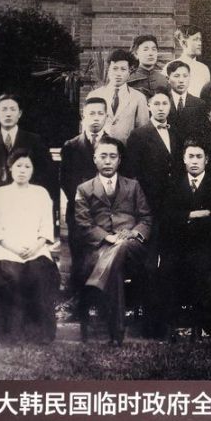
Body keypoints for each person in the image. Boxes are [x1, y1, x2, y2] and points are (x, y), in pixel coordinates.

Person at [75, 136, 153, 345]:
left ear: (119, 160)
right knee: (115, 270)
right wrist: (108, 237)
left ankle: (97, 282)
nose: (108, 161)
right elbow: (83, 223)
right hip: (100, 248)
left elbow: (146, 218)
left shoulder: (133, 186)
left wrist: (133, 233)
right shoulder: (84, 189)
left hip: (132, 246)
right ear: (95, 159)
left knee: (123, 245)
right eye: (103, 156)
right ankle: (116, 334)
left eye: (112, 156)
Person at [161, 140, 211, 338]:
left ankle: (206, 325)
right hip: (179, 245)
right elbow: (167, 217)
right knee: (167, 269)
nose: (194, 161)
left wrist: (185, 217)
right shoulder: (173, 185)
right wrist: (194, 214)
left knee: (207, 270)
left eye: (199, 157)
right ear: (184, 159)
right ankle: (172, 325)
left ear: (206, 160)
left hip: (208, 244)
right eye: (190, 156)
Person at [0, 149, 59, 344]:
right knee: (12, 274)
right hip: (7, 249)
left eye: (27, 166)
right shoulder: (0, 194)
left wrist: (35, 247)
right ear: (10, 168)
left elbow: (46, 227)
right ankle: (9, 333)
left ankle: (39, 334)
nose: (22, 170)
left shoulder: (41, 193)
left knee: (39, 273)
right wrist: (15, 249)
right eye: (18, 165)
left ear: (33, 170)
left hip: (36, 248)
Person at [0, 93, 53, 237]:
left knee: (25, 243)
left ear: (20, 113)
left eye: (12, 109)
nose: (8, 113)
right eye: (4, 109)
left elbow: (45, 175)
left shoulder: (34, 140)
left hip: (26, 204)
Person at [60, 97, 110, 300]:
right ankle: (78, 303)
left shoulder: (114, 146)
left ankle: (101, 302)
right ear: (83, 117)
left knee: (103, 258)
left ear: (106, 117)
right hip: (78, 211)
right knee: (79, 258)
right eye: (91, 114)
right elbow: (66, 181)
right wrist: (83, 201)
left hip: (105, 211)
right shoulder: (71, 146)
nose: (96, 118)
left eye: (100, 113)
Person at [125, 90, 182, 216]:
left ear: (170, 106)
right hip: (149, 197)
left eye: (164, 104)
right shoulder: (138, 135)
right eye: (156, 104)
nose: (161, 108)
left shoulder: (176, 132)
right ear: (149, 106)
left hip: (174, 197)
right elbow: (132, 171)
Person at [87, 49, 149, 143]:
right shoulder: (94, 95)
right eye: (115, 68)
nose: (118, 73)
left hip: (127, 149)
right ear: (108, 70)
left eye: (123, 69)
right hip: (100, 149)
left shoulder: (138, 98)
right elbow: (87, 128)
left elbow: (143, 132)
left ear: (129, 72)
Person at [166, 59, 209, 141]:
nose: (181, 80)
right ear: (168, 79)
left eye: (185, 76)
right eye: (176, 76)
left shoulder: (199, 104)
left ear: (190, 78)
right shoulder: (163, 102)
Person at [167, 24, 210, 97]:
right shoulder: (169, 67)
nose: (200, 43)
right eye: (195, 39)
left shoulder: (203, 69)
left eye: (200, 40)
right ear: (183, 43)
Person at [128, 34, 167, 99]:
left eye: (154, 49)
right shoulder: (129, 80)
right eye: (145, 49)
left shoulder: (164, 80)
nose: (151, 53)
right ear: (136, 54)